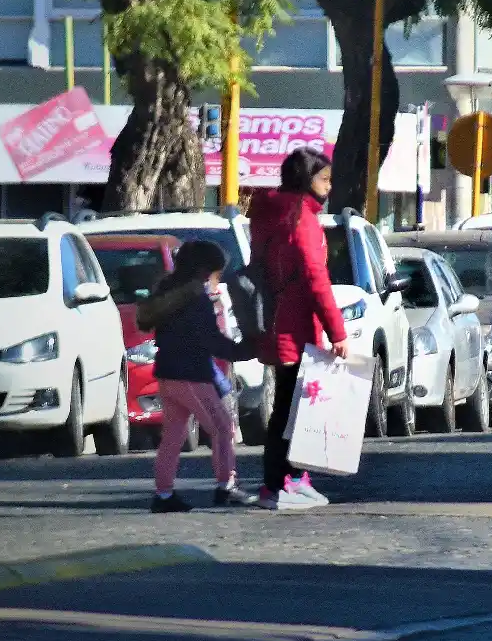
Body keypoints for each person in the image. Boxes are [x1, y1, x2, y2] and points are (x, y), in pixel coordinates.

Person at [248, 147, 350, 510]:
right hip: (293, 327)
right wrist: (337, 332)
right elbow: (315, 278)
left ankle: (291, 479)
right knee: (290, 410)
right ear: (306, 179)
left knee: (291, 408)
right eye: (324, 179)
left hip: (279, 323)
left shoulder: (272, 214)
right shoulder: (300, 219)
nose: (328, 186)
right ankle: (280, 484)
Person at [136, 241, 257, 513]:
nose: (215, 280)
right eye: (215, 273)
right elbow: (210, 340)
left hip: (167, 373)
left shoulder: (169, 291)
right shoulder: (195, 299)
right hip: (191, 374)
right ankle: (226, 486)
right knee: (222, 427)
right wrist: (243, 351)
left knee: (173, 435)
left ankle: (163, 494)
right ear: (204, 270)